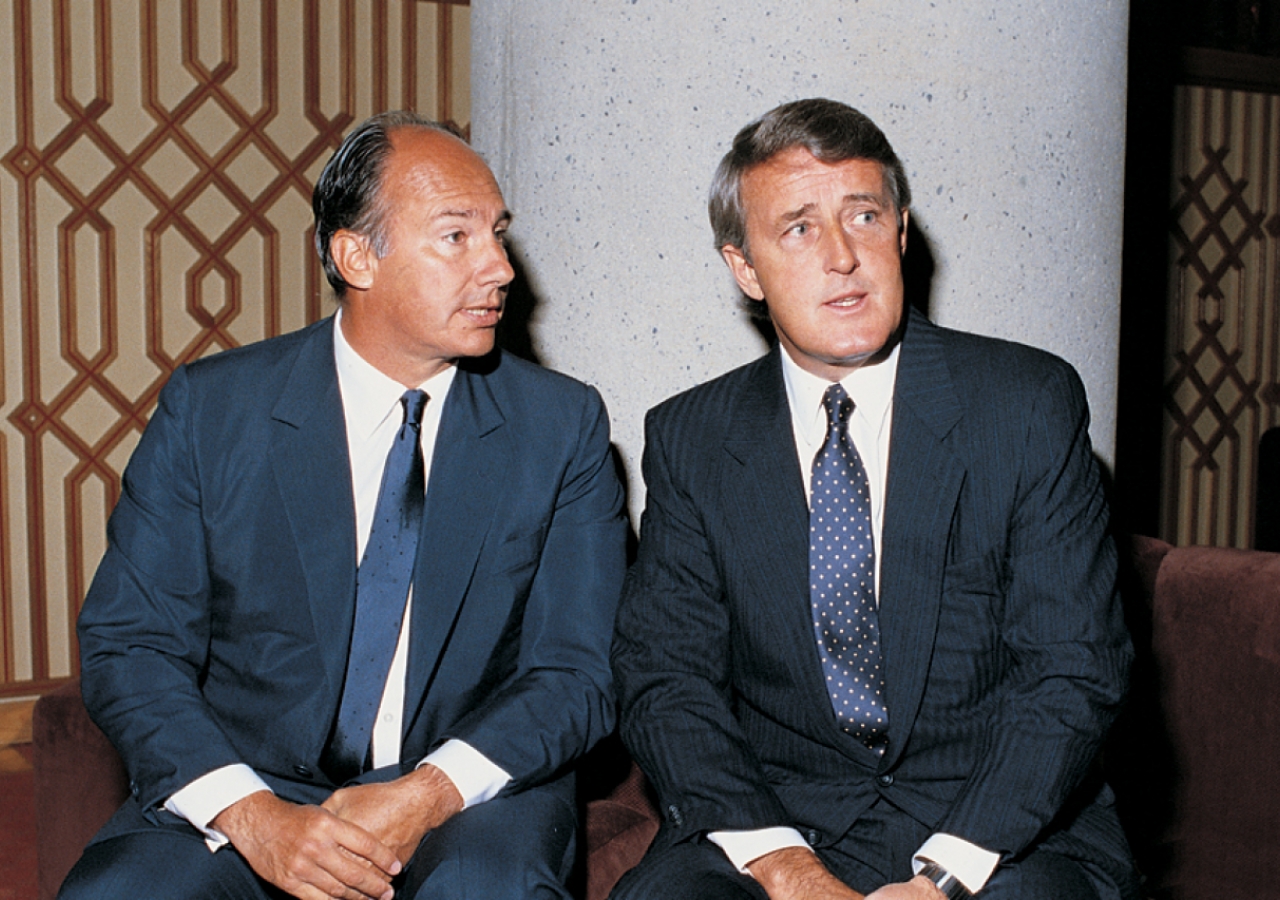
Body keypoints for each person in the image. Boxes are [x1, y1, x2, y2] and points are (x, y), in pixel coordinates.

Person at [63, 111, 627, 900]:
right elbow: (130, 645)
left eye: (497, 233)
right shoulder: (215, 410)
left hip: (466, 790)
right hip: (247, 783)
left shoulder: (560, 426)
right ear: (355, 255)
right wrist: (253, 816)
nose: (500, 266)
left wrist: (427, 792)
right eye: (457, 237)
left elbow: (577, 673)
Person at [610, 98, 1138, 900]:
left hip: (1001, 835)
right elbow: (664, 680)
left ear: (900, 233)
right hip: (782, 828)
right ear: (744, 267)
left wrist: (942, 878)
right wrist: (788, 870)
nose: (841, 256)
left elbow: (1074, 671)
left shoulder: (1025, 404)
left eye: (863, 215)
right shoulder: (693, 437)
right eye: (797, 228)